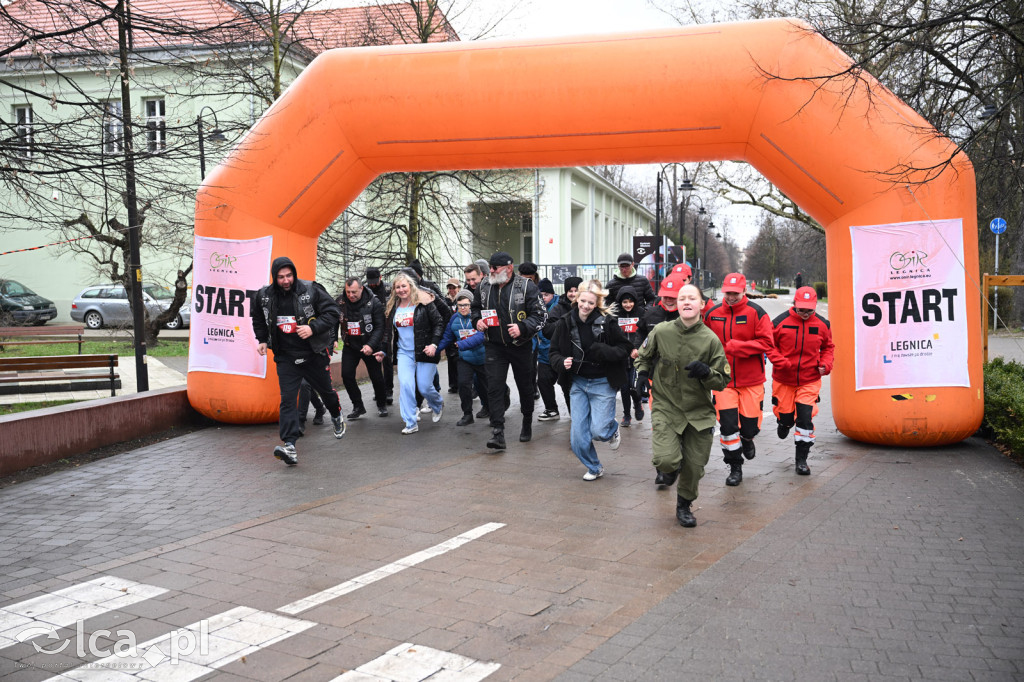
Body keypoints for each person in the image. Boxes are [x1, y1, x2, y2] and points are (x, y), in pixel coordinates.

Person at [634, 283, 730, 527]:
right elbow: (644, 356)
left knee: (695, 466)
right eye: (682, 298)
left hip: (699, 412)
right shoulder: (661, 331)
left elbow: (722, 380)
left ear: (702, 304)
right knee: (666, 460)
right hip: (666, 406)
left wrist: (706, 372)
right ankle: (670, 470)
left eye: (692, 298)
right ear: (676, 305)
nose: (686, 302)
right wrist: (642, 374)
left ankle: (684, 505)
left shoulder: (710, 340)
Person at [251, 256, 346, 466]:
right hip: (286, 357)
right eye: (281, 277)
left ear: (294, 274)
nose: (286, 280)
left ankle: (336, 415)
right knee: (287, 400)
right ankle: (290, 446)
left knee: (327, 392)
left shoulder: (311, 290)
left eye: (289, 276)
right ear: (274, 277)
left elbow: (333, 312)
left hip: (313, 353)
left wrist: (313, 328)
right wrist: (262, 340)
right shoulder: (264, 296)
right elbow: (257, 317)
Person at [549, 280, 633, 480]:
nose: (586, 306)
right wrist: (561, 362)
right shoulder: (565, 322)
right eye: (583, 301)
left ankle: (611, 429)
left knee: (599, 431)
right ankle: (594, 467)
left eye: (591, 303)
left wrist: (604, 350)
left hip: (603, 382)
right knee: (577, 437)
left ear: (597, 304)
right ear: (576, 299)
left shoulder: (607, 322)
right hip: (577, 383)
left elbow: (625, 349)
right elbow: (553, 352)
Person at [703, 272, 775, 486]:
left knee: (750, 427)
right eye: (728, 293)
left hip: (751, 380)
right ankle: (735, 466)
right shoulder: (713, 314)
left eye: (735, 293)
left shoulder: (757, 313)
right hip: (723, 381)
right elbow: (702, 340)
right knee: (727, 427)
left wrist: (739, 347)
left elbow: (768, 343)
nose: (731, 297)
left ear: (744, 291)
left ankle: (748, 438)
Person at [471, 251, 547, 450]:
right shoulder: (484, 286)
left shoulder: (526, 286)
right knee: (494, 387)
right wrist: (476, 321)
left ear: (509, 268)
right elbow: (475, 308)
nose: (491, 271)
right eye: (490, 267)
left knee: (525, 386)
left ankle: (527, 420)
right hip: (494, 346)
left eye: (495, 268)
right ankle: (497, 431)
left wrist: (522, 327)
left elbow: (541, 315)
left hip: (520, 346)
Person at [768, 286, 834, 475]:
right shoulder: (779, 322)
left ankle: (802, 460)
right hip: (784, 379)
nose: (805, 313)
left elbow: (828, 348)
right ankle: (783, 422)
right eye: (801, 309)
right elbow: (768, 345)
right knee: (787, 416)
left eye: (809, 310)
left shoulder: (823, 324)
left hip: (809, 380)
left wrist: (826, 364)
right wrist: (778, 360)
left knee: (805, 419)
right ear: (794, 304)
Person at [377, 273, 444, 434]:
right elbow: (387, 332)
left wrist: (434, 344)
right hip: (404, 353)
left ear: (410, 286)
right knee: (406, 386)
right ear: (394, 290)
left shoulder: (423, 302)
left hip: (425, 350)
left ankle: (437, 403)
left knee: (424, 387)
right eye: (398, 287)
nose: (401, 290)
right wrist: (383, 350)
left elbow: (438, 323)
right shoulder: (393, 306)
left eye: (404, 286)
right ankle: (410, 422)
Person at [338, 277, 389, 419]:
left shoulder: (374, 302)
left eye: (354, 292)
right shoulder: (340, 302)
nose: (350, 295)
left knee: (376, 377)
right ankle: (358, 406)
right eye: (348, 292)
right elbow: (333, 320)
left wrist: (371, 345)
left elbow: (380, 327)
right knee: (347, 376)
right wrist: (333, 340)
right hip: (350, 345)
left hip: (370, 344)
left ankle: (381, 404)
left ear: (361, 288)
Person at [438, 289, 489, 425]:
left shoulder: (478, 318)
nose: (463, 308)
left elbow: (481, 336)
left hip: (482, 358)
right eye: (460, 305)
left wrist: (461, 344)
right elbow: (447, 337)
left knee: (484, 387)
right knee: (463, 384)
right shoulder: (454, 318)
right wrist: (435, 349)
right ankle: (467, 414)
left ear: (471, 304)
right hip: (465, 359)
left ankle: (489, 408)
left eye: (466, 305)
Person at [543, 276, 582, 414]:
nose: (573, 294)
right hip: (566, 358)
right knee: (568, 389)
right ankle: (574, 417)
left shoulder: (587, 306)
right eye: (570, 291)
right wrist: (565, 322)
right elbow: (547, 330)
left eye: (576, 290)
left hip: (584, 359)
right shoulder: (558, 308)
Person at [614, 286, 645, 427]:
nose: (628, 305)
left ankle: (638, 404)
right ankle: (626, 415)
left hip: (636, 358)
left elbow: (645, 333)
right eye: (625, 302)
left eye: (630, 301)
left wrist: (638, 349)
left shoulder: (641, 313)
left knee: (634, 386)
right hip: (621, 359)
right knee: (625, 388)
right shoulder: (615, 314)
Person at [364, 266, 393, 405]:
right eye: (370, 282)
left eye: (375, 282)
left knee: (387, 359)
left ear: (380, 277)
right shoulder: (365, 289)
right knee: (374, 362)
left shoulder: (389, 289)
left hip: (387, 326)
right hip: (372, 329)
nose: (372, 285)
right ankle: (378, 390)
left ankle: (388, 390)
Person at [535, 278, 562, 421]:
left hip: (560, 352)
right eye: (541, 295)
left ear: (552, 294)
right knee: (543, 381)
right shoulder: (535, 307)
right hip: (544, 352)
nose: (543, 298)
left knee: (567, 384)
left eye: (546, 294)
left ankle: (576, 412)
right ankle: (551, 409)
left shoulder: (559, 306)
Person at [444, 277, 462, 394]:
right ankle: (453, 384)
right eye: (450, 288)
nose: (452, 290)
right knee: (450, 359)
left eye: (454, 288)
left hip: (459, 333)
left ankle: (462, 383)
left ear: (458, 288)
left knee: (459, 359)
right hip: (449, 333)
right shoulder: (445, 301)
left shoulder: (461, 300)